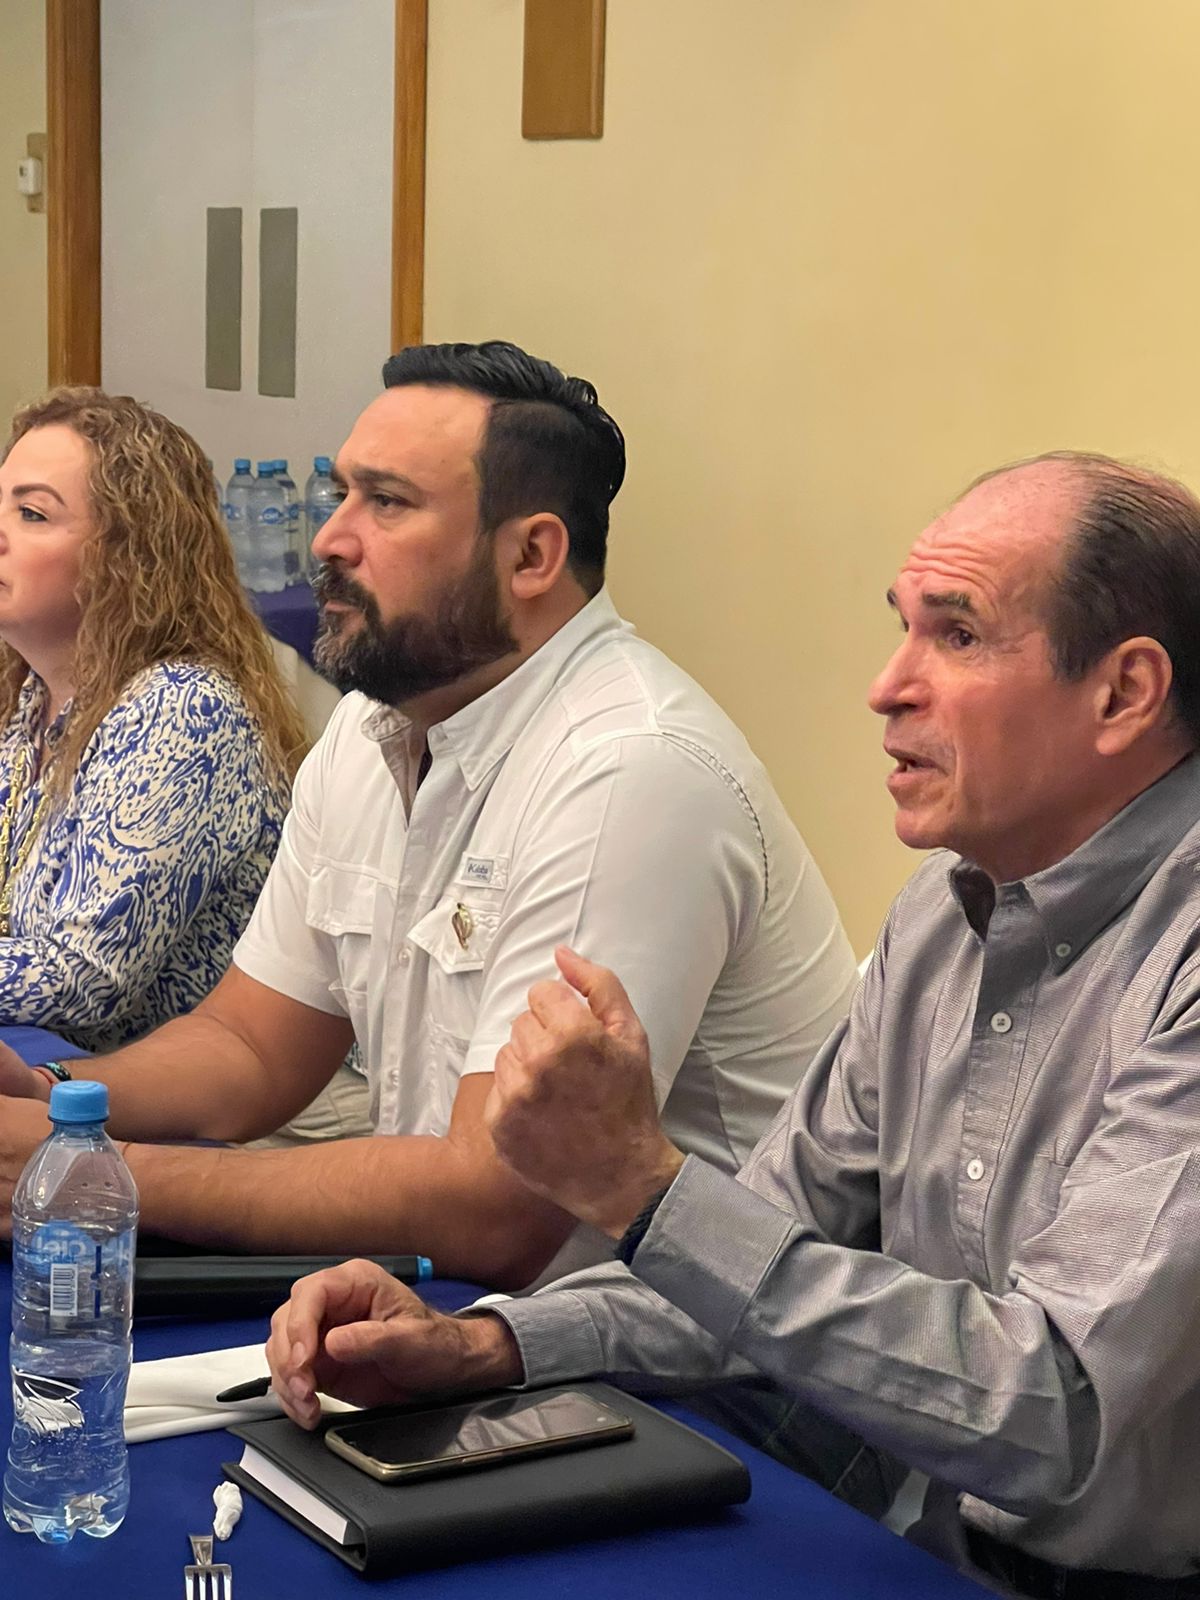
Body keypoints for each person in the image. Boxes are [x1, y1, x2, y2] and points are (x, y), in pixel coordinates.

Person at [266, 452, 1200, 1596]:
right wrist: (486, 1345)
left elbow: (1056, 1415)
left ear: (1124, 693)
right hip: (911, 1522)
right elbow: (749, 1260)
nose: (887, 686)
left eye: (956, 636)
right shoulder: (943, 916)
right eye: (903, 628)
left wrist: (643, 1189)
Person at [0, 342, 856, 1289]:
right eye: (342, 494)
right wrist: (55, 1096)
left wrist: (97, 1172)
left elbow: (498, 1205)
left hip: (685, 1345)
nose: (329, 539)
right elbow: (251, 1046)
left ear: (531, 556)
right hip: (471, 1310)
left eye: (388, 502)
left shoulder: (628, 769)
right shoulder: (374, 726)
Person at [0, 387, 307, 1052]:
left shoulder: (183, 709)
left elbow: (86, 976)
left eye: (31, 514)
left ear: (126, 557)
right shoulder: (31, 698)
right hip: (70, 1071)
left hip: (206, 1100)